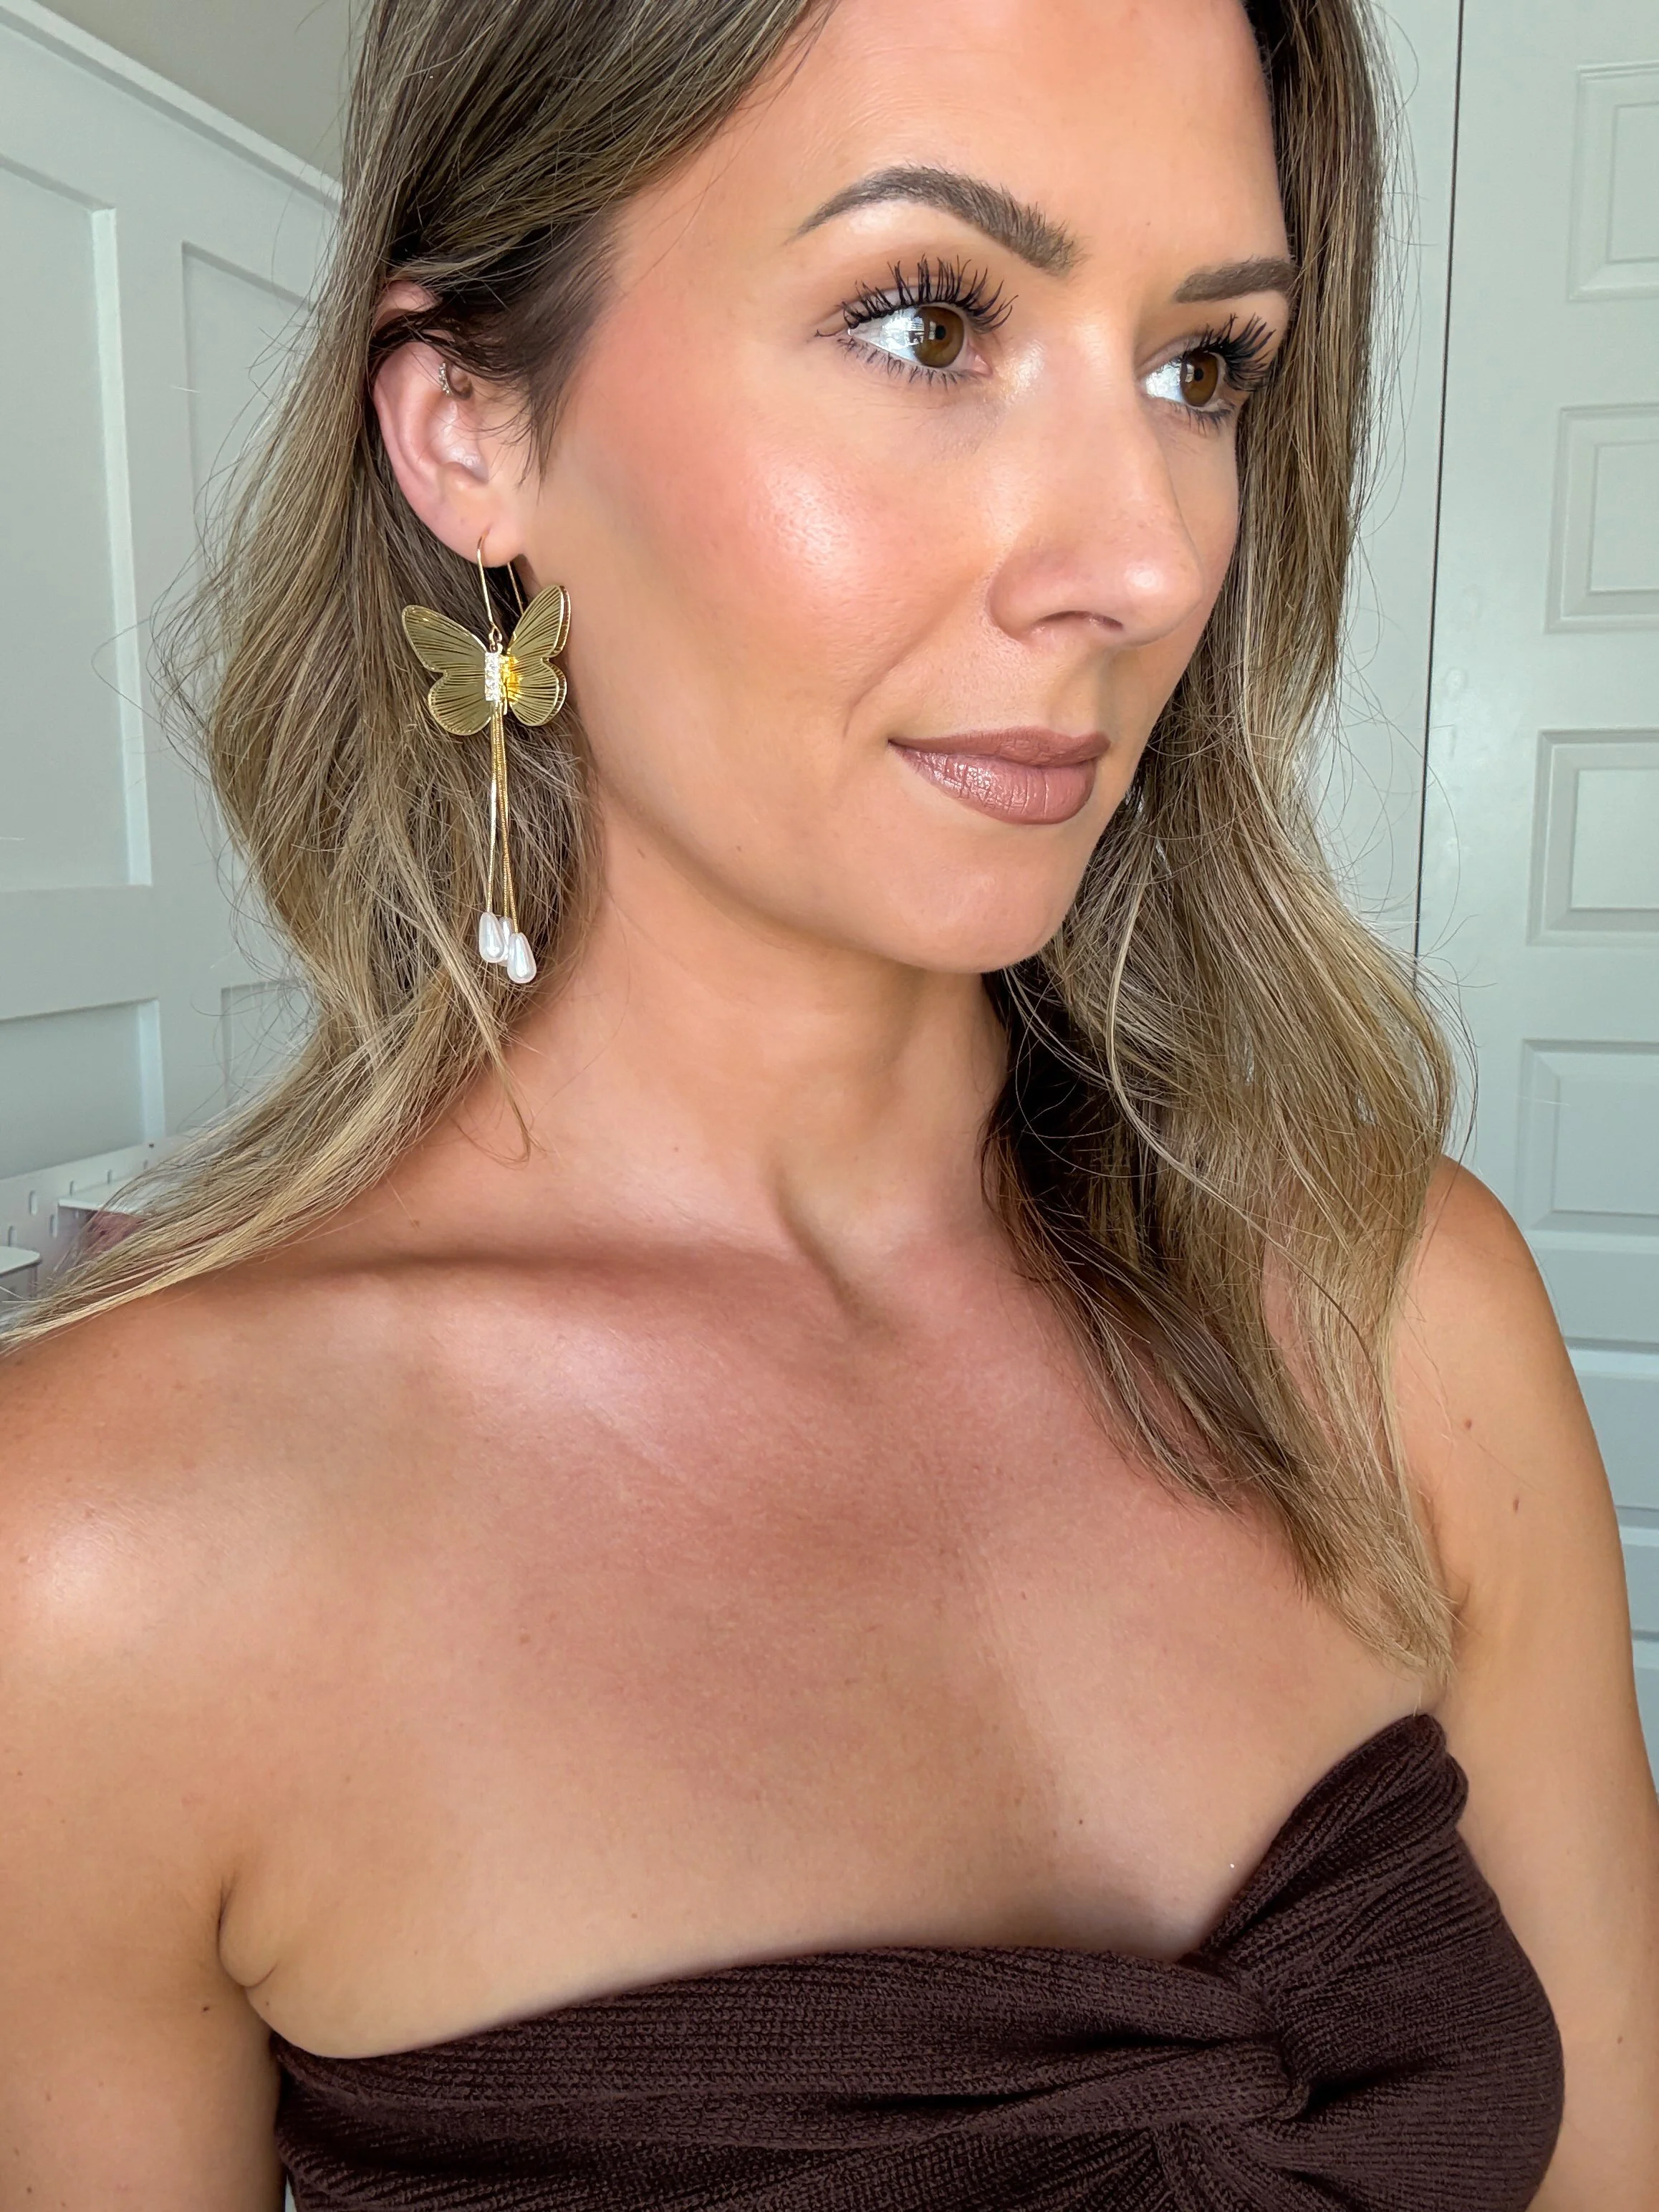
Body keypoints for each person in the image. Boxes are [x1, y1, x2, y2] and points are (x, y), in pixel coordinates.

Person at [1, 0, 1654, 2203]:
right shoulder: (98, 1562)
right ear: (472, 429)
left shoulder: (1401, 1308)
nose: (1145, 559)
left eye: (1203, 368)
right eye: (924, 322)